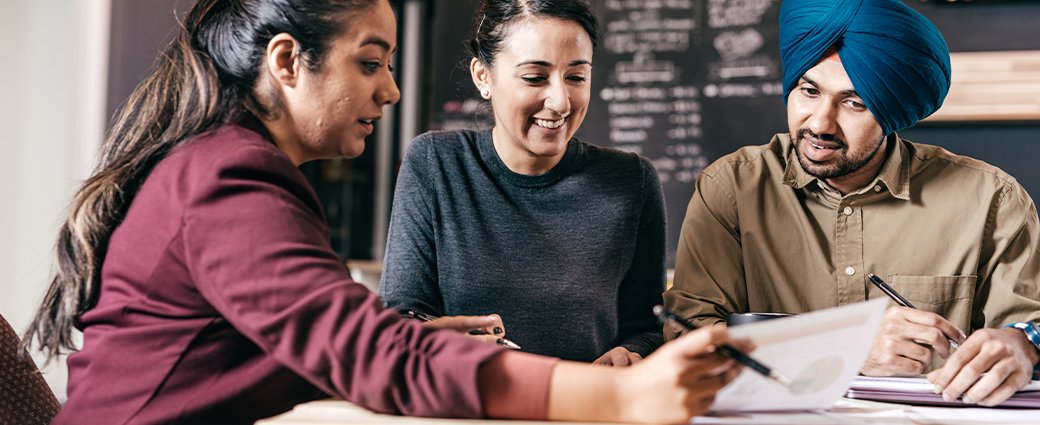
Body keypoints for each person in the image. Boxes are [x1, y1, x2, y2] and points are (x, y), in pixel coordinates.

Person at [20, 0, 742, 423]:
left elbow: (307, 341)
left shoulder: (225, 164)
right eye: (370, 63)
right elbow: (370, 353)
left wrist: (405, 330)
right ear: (286, 61)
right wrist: (617, 400)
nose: (392, 91)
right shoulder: (228, 180)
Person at [664, 0, 1040, 407]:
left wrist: (1026, 345)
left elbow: (1030, 325)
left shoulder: (991, 199)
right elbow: (691, 335)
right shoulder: (732, 187)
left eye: (854, 102)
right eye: (809, 91)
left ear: (891, 112)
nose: (819, 123)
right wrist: (845, 348)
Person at [378, 0, 665, 366]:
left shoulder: (631, 181)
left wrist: (631, 353)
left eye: (577, 77)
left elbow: (649, 329)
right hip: (471, 412)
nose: (560, 102)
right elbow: (401, 320)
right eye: (534, 77)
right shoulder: (436, 164)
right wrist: (449, 344)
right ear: (483, 76)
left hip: (587, 411)